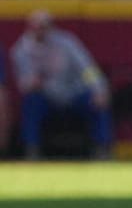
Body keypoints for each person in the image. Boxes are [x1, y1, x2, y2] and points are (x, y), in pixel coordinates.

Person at [10, 9, 112, 160]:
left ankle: (102, 149)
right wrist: (31, 83)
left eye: (45, 26)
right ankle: (32, 150)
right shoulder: (21, 50)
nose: (42, 30)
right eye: (38, 26)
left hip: (73, 93)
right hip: (46, 97)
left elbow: (87, 69)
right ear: (30, 27)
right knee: (31, 102)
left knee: (96, 100)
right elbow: (22, 84)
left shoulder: (66, 43)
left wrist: (99, 89)